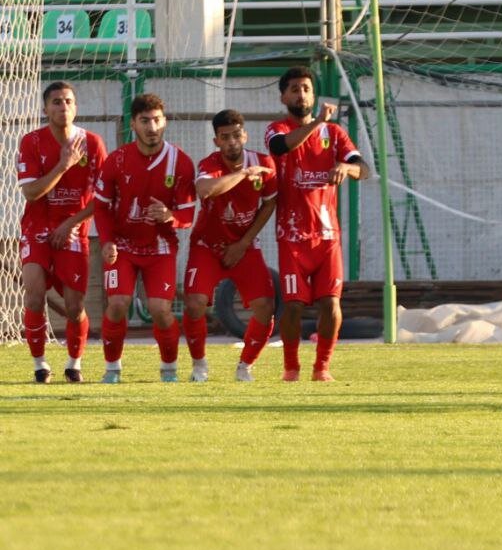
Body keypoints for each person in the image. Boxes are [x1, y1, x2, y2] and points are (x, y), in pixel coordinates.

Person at [265, 65, 369, 382]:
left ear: (313, 94)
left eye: (307, 88)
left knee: (331, 302)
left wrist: (345, 168)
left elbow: (362, 168)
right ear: (284, 96)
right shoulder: (277, 129)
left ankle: (322, 368)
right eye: (295, 88)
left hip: (327, 237)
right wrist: (319, 122)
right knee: (293, 306)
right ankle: (291, 368)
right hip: (292, 236)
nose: (302, 93)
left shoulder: (334, 134)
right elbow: (282, 147)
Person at [93, 93, 196, 385]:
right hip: (123, 245)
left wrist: (169, 216)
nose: (152, 127)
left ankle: (169, 370)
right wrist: (108, 240)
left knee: (160, 309)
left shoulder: (181, 163)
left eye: (157, 120)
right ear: (133, 124)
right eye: (145, 121)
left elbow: (188, 216)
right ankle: (112, 369)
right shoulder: (117, 160)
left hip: (160, 247)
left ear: (165, 122)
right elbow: (100, 206)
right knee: (117, 303)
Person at [16, 81, 107, 384]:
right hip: (37, 227)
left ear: (75, 107)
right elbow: (30, 193)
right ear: (46, 109)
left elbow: (103, 198)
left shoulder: (92, 143)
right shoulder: (32, 142)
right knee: (33, 294)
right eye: (56, 102)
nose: (63, 107)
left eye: (68, 101)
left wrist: (72, 223)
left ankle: (74, 363)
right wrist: (63, 166)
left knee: (74, 305)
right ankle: (40, 365)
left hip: (73, 229)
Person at [182, 109, 278, 384]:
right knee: (194, 303)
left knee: (265, 305)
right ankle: (199, 365)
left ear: (245, 135)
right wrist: (244, 174)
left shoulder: (264, 164)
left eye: (237, 135)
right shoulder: (209, 163)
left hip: (244, 246)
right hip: (207, 245)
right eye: (225, 137)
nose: (232, 142)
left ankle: (245, 366)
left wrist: (244, 242)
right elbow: (205, 190)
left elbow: (270, 202)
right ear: (216, 141)